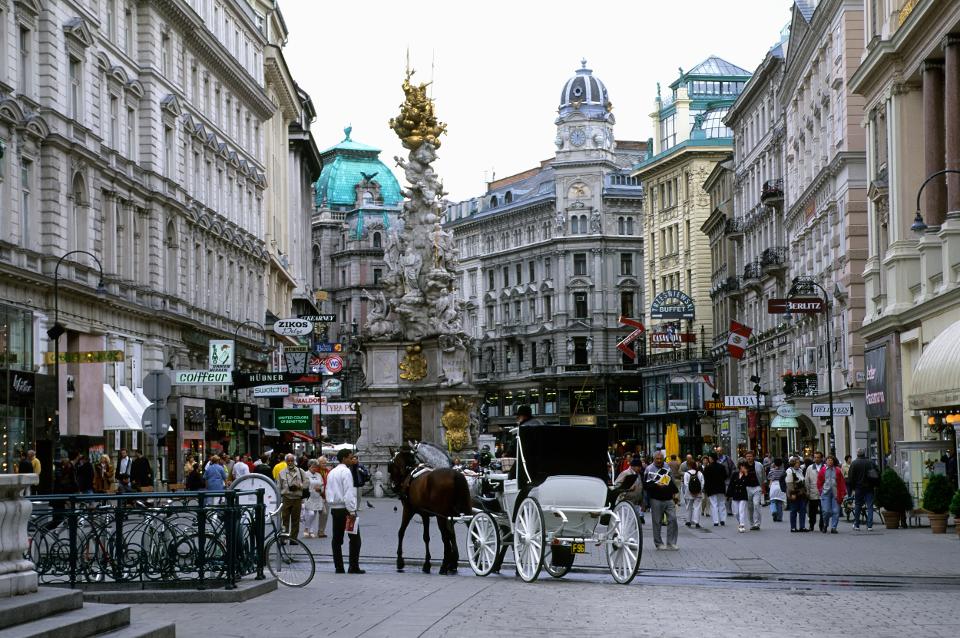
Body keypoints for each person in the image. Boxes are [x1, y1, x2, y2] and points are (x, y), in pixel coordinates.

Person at [327, 449, 363, 573]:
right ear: (344, 459)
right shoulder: (346, 471)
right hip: (346, 510)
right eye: (350, 457)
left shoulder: (332, 472)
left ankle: (339, 567)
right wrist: (352, 511)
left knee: (336, 539)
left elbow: (328, 489)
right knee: (355, 539)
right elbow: (349, 492)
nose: (352, 460)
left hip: (335, 509)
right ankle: (353, 566)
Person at [643, 452, 679, 550]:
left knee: (673, 519)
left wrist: (675, 493)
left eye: (660, 459)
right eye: (657, 459)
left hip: (668, 498)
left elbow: (672, 481)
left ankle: (671, 543)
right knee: (657, 522)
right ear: (653, 459)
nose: (659, 460)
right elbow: (645, 485)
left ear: (663, 459)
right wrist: (656, 485)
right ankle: (658, 543)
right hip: (655, 499)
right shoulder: (649, 469)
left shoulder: (667, 467)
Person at [277, 453, 309, 542]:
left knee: (295, 520)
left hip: (297, 499)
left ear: (294, 461)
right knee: (284, 520)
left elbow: (307, 483)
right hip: (286, 498)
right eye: (288, 461)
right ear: (286, 461)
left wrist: (299, 486)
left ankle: (293, 539)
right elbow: (278, 487)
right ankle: (284, 538)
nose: (290, 462)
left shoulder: (300, 471)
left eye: (292, 460)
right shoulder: (282, 472)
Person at [847, 448, 879, 531]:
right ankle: (869, 525)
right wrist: (875, 484)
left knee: (858, 505)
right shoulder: (870, 463)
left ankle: (857, 524)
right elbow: (877, 474)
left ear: (857, 454)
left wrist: (852, 488)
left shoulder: (854, 463)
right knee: (870, 506)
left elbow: (850, 478)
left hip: (858, 488)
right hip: (869, 487)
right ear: (864, 454)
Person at [816, 455, 846, 533]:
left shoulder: (838, 470)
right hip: (825, 493)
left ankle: (833, 527)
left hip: (836, 493)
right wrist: (820, 490)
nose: (830, 461)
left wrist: (843, 492)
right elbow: (819, 482)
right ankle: (825, 524)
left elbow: (842, 482)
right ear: (826, 461)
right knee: (826, 511)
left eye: (831, 460)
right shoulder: (823, 470)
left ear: (833, 461)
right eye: (828, 460)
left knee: (836, 511)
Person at [614, 456, 645, 524]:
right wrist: (628, 488)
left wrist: (642, 502)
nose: (640, 468)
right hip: (626, 502)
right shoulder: (625, 473)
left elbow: (641, 488)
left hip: (636, 503)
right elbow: (616, 485)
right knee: (625, 522)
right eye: (638, 467)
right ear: (633, 466)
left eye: (640, 467)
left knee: (633, 523)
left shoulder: (638, 474)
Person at [302, 459, 326, 538]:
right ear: (309, 467)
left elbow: (322, 485)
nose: (314, 469)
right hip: (308, 497)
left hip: (317, 496)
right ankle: (306, 528)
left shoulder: (318, 475)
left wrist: (320, 489)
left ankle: (311, 530)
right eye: (313, 467)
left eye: (316, 467)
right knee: (311, 513)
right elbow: (303, 486)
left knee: (314, 514)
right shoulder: (305, 474)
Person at [703, 453, 727, 527]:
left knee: (714, 504)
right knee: (722, 504)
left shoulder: (707, 468)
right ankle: (722, 520)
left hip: (711, 488)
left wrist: (705, 488)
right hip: (721, 487)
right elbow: (725, 476)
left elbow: (705, 479)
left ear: (711, 459)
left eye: (709, 458)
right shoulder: (722, 467)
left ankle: (716, 521)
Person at [804, 451, 826, 532]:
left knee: (823, 510)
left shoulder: (825, 467)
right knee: (812, 511)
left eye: (818, 457)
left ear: (821, 458)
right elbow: (807, 480)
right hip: (813, 492)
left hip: (823, 492)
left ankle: (822, 525)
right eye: (815, 457)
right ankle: (811, 525)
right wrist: (808, 491)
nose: (816, 459)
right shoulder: (810, 468)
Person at [743, 450, 765, 530]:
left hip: (757, 487)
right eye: (747, 457)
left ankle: (757, 523)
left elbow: (763, 475)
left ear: (753, 457)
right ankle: (751, 523)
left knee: (756, 504)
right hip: (747, 487)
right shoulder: (743, 466)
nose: (749, 458)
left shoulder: (759, 465)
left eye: (750, 456)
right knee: (750, 507)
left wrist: (762, 486)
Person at [786, 457, 808, 532]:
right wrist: (792, 493)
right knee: (794, 510)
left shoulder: (800, 470)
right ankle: (793, 527)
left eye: (799, 462)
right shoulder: (789, 471)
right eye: (797, 462)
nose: (799, 464)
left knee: (802, 510)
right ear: (793, 463)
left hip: (801, 492)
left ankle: (802, 526)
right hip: (794, 492)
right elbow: (789, 484)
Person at [727, 461, 751, 532]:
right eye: (742, 466)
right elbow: (731, 485)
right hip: (735, 494)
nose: (743, 468)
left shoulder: (747, 475)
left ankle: (742, 525)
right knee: (736, 512)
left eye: (745, 467)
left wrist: (746, 474)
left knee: (741, 510)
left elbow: (748, 483)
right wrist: (728, 495)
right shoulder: (735, 474)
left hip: (743, 494)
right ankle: (740, 522)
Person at [681, 458, 704, 529]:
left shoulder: (687, 474)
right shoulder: (699, 473)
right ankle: (696, 522)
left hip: (689, 493)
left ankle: (688, 521)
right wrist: (699, 490)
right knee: (697, 507)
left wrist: (690, 491)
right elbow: (702, 482)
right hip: (698, 493)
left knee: (689, 507)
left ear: (689, 466)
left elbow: (685, 483)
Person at [715, 446, 736, 515]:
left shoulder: (727, 459)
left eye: (720, 451)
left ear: (722, 451)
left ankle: (728, 509)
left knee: (728, 494)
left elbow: (733, 468)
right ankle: (720, 508)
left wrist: (732, 476)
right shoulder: (715, 459)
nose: (719, 452)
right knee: (719, 495)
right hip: (718, 480)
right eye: (717, 451)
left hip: (727, 479)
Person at [766, 458, 787, 523]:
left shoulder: (772, 470)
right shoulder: (783, 471)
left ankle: (774, 511)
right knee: (779, 502)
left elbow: (768, 477)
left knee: (773, 501)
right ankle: (779, 517)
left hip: (774, 485)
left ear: (774, 463)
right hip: (781, 486)